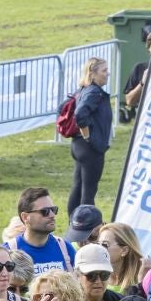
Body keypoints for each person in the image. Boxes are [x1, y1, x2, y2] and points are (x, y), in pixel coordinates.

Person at [65, 60, 113, 217]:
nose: (108, 73)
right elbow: (80, 114)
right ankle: (86, 227)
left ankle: (73, 223)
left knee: (78, 186)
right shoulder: (94, 92)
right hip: (89, 147)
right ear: (92, 74)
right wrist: (87, 136)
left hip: (79, 146)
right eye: (104, 71)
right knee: (88, 190)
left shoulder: (85, 90)